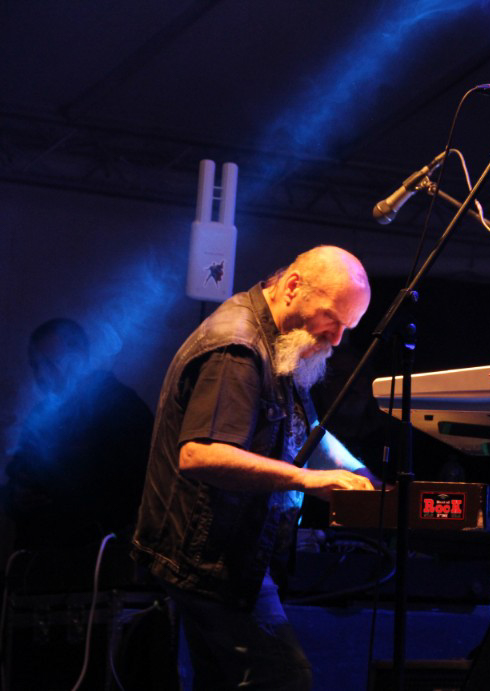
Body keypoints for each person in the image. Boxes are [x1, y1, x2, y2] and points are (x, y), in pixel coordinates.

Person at [132, 245, 378, 690]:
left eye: (348, 327)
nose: (338, 339)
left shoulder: (282, 339)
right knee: (282, 678)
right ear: (293, 286)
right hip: (210, 561)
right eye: (332, 319)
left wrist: (363, 476)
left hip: (226, 556)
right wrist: (307, 479)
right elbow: (201, 454)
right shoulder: (237, 348)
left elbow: (307, 430)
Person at [3, 318, 153, 550]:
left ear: (80, 357)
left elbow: (134, 487)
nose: (40, 374)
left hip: (95, 555)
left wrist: (58, 490)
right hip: (41, 555)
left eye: (49, 363)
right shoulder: (42, 414)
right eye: (35, 365)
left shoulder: (121, 406)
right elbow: (17, 474)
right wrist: (17, 496)